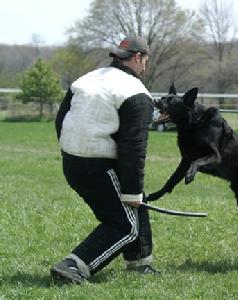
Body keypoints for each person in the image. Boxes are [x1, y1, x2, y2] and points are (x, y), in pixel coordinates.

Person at [52, 36, 159, 284]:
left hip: (72, 161)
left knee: (135, 205)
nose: (145, 66)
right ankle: (73, 265)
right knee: (124, 224)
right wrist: (132, 192)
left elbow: (62, 119)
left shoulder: (86, 79)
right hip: (98, 166)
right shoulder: (137, 93)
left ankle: (139, 264)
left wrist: (71, 151)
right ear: (137, 57)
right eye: (145, 61)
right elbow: (134, 148)